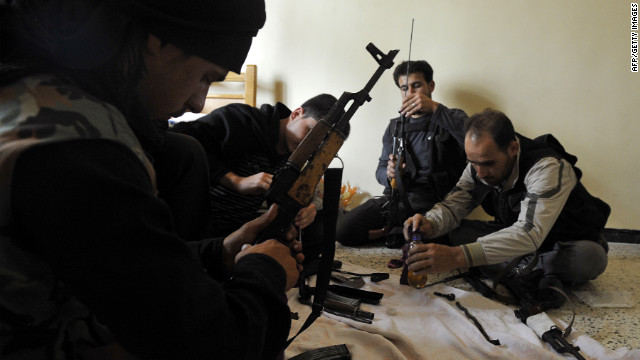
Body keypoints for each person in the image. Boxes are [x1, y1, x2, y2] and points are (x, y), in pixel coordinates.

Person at [0, 0, 303, 359]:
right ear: (158, 40)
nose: (197, 101)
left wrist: (219, 252)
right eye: (206, 76)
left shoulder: (34, 95)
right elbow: (211, 344)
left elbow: (116, 267)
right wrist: (266, 271)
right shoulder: (85, 149)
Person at [404, 109, 610, 307]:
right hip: (514, 237)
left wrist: (457, 256)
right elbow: (456, 202)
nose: (481, 173)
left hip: (561, 242)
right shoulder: (479, 163)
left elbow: (528, 233)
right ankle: (530, 269)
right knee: (454, 231)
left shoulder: (548, 167)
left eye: (488, 164)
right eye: (473, 163)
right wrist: (430, 222)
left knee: (590, 258)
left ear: (513, 148)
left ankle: (515, 267)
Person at [336, 60, 468, 248]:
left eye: (417, 86)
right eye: (404, 88)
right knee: (344, 231)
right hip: (396, 201)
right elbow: (380, 169)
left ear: (430, 86)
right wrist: (388, 174)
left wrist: (435, 109)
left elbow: (473, 139)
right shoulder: (395, 126)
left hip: (436, 204)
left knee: (437, 242)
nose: (411, 93)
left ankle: (402, 233)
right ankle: (393, 232)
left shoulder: (450, 117)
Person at [170, 94, 338, 237]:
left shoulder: (299, 157)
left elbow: (293, 200)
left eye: (320, 144)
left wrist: (303, 211)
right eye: (309, 132)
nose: (311, 147)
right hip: (192, 222)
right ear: (296, 114)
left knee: (324, 224)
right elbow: (179, 139)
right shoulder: (241, 119)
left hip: (238, 231)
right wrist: (236, 181)